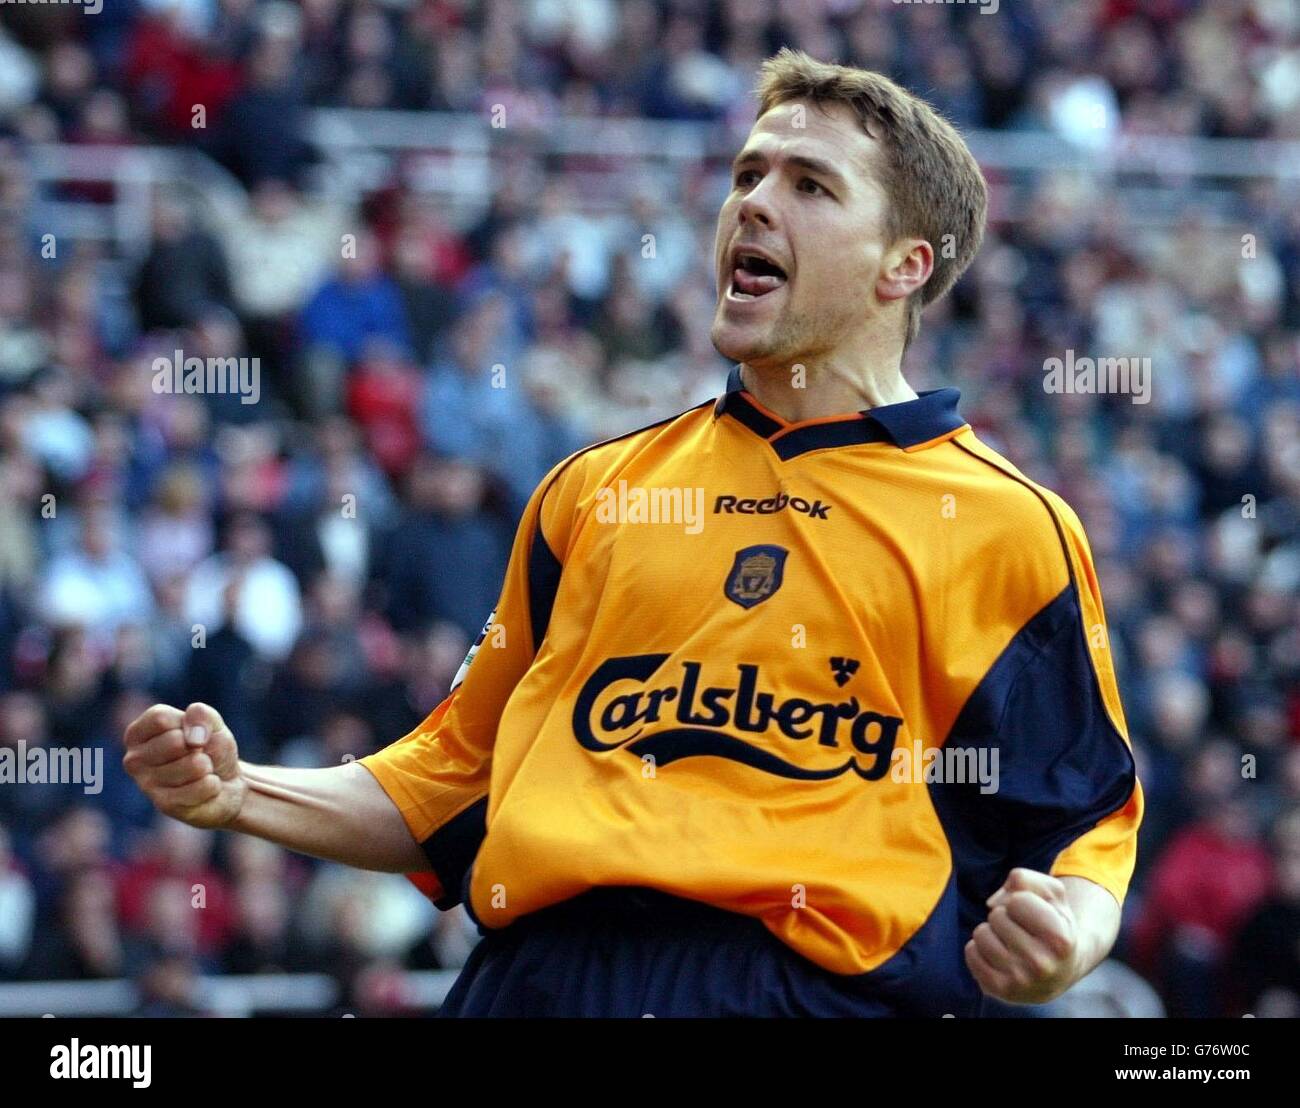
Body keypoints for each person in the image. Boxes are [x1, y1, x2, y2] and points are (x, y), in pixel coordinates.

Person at [121, 50, 1142, 1018]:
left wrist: (1071, 934)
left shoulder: (1009, 527)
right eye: (749, 171)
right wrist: (242, 789)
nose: (753, 199)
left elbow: (1085, 821)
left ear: (903, 266)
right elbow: (451, 782)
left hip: (805, 992)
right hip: (536, 980)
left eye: (810, 186)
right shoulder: (595, 489)